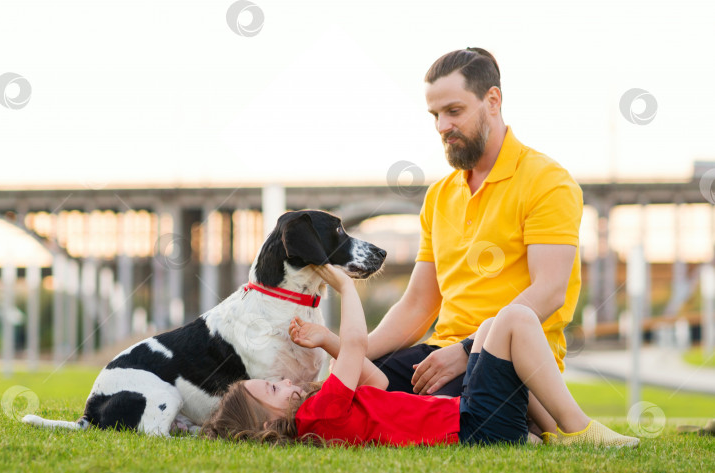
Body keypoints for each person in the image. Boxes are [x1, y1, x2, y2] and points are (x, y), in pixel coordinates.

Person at [324, 48, 584, 437]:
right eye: (435, 115)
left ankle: (522, 421)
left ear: (492, 101)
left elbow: (549, 292)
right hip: (439, 352)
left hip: (502, 357)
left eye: (454, 111)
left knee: (430, 417)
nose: (442, 126)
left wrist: (464, 353)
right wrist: (355, 354)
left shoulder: (547, 181)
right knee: (351, 394)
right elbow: (417, 305)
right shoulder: (439, 196)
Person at [201, 265, 637, 448]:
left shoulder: (326, 411)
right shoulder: (317, 415)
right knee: (516, 319)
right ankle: (579, 431)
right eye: (273, 389)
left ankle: (544, 432)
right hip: (474, 425)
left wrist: (328, 342)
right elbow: (356, 347)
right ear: (268, 421)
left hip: (472, 419)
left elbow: (377, 383)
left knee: (490, 329)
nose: (286, 383)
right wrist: (346, 288)